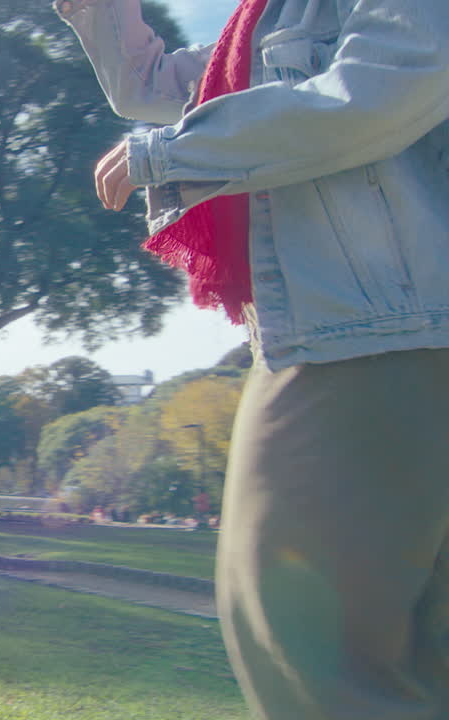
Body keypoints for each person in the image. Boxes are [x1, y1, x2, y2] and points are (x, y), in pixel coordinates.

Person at [56, 1, 449, 718]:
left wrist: (170, 154)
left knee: (303, 642)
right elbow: (150, 82)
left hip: (377, 332)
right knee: (415, 661)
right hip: (369, 330)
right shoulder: (268, 20)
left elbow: (387, 85)